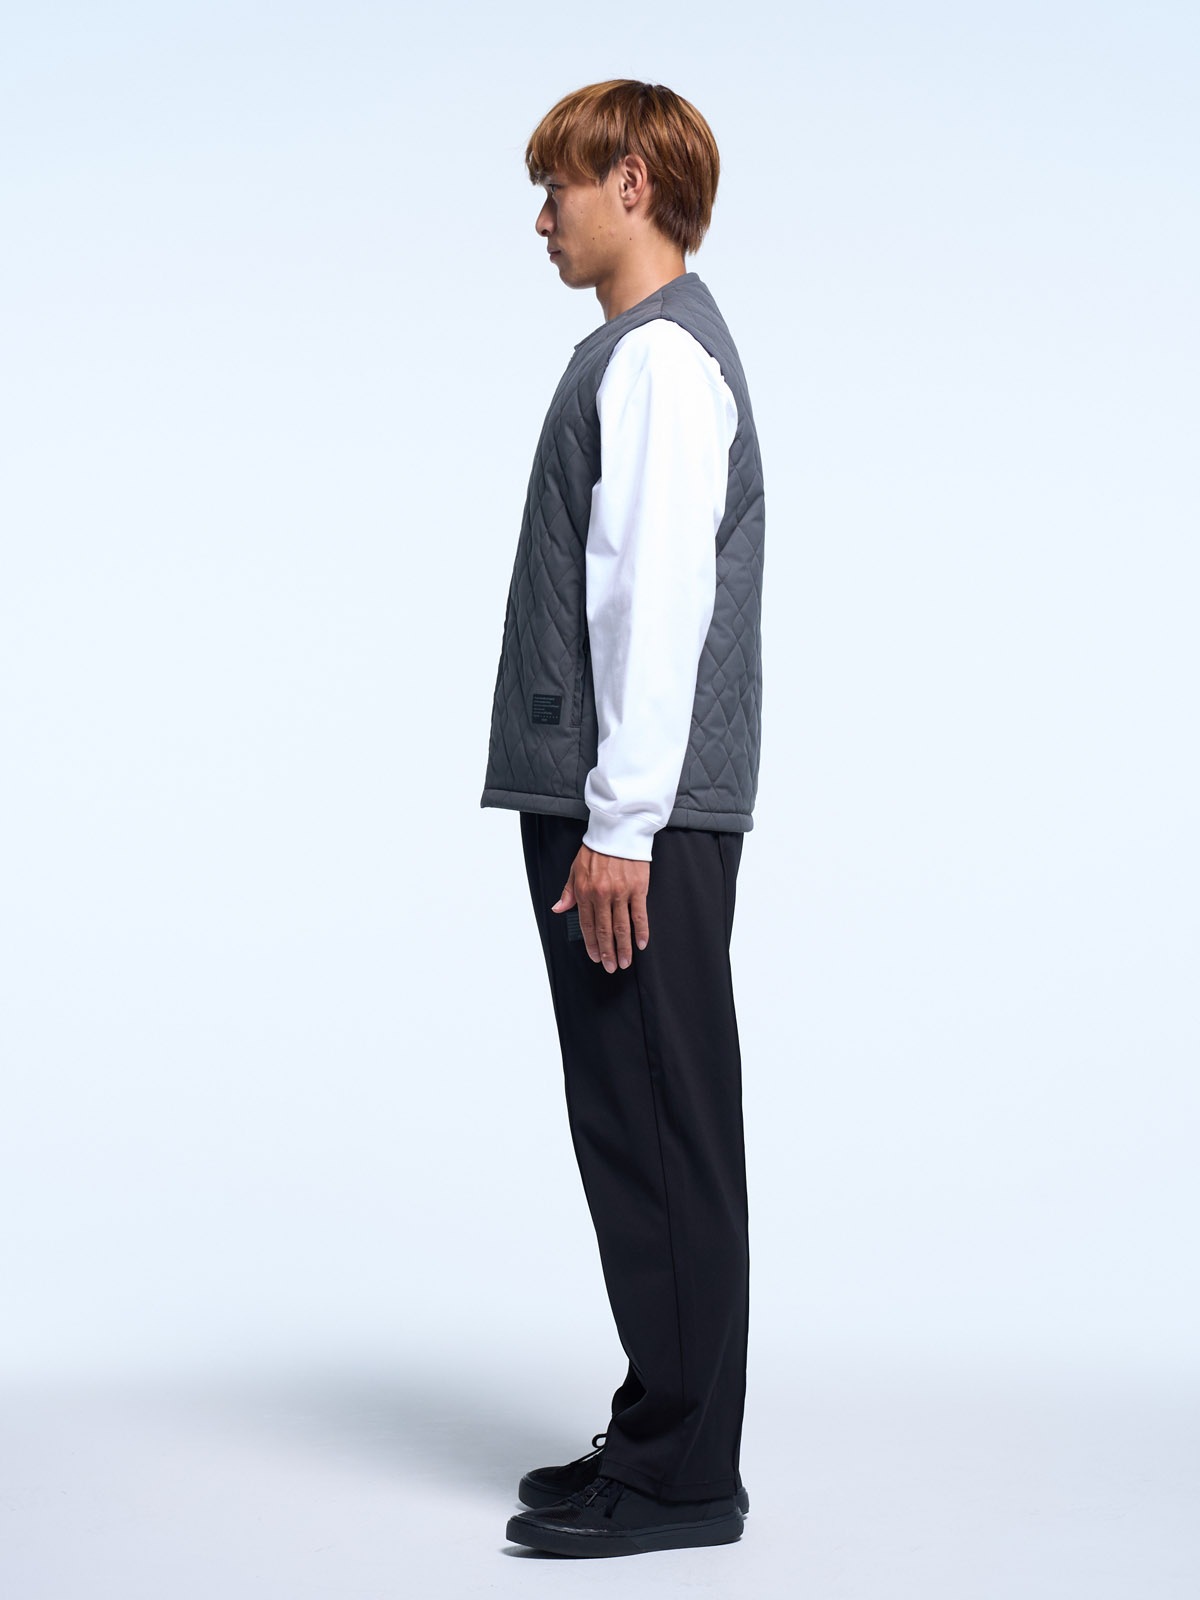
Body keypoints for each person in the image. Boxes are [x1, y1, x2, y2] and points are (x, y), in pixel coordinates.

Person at [479, 78, 767, 1558]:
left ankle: (678, 1476)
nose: (544, 218)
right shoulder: (643, 354)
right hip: (627, 812)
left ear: (633, 183)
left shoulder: (657, 360)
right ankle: (666, 1427)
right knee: (643, 1123)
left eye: (561, 188)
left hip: (631, 823)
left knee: (657, 1126)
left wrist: (621, 824)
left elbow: (655, 603)